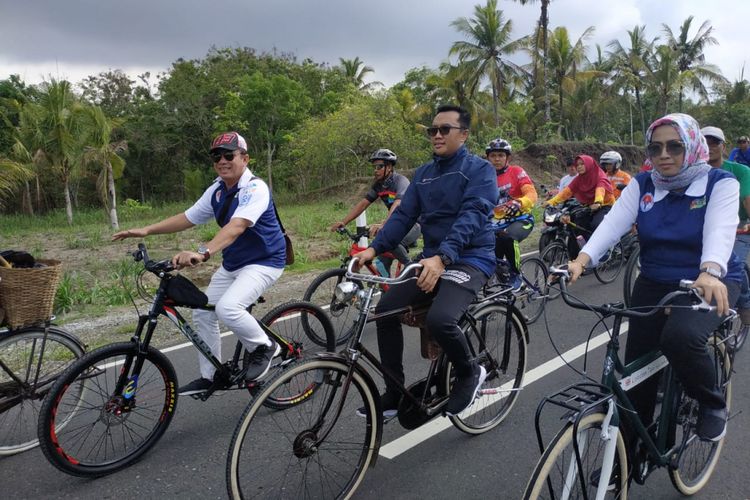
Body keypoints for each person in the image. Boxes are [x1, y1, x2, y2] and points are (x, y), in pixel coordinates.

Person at [568, 113, 742, 444]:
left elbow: (720, 229)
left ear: (691, 147)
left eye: (674, 147)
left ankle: (711, 403)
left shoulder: (721, 183)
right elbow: (612, 224)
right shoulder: (643, 183)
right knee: (635, 372)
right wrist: (581, 260)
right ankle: (631, 455)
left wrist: (710, 270)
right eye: (655, 147)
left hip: (709, 281)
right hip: (654, 279)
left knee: (680, 338)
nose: (663, 154)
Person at [112, 132, 286, 396]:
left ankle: (265, 346)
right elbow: (188, 217)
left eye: (229, 155)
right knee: (203, 311)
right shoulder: (217, 190)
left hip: (264, 262)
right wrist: (147, 230)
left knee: (228, 308)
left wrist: (203, 252)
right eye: (217, 156)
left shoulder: (255, 188)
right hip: (234, 264)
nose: (222, 161)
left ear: (245, 158)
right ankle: (211, 376)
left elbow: (237, 226)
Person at [353, 104, 497, 418]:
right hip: (433, 258)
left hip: (471, 258)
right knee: (384, 311)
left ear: (464, 134)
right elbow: (404, 216)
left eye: (445, 129)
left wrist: (443, 258)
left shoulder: (480, 170)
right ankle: (394, 392)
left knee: (440, 320)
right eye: (433, 130)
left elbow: (472, 215)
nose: (436, 135)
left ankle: (470, 371)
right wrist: (373, 250)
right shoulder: (425, 174)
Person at [330, 148, 420, 271]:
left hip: (413, 223)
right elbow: (363, 204)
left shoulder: (400, 181)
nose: (375, 170)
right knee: (381, 262)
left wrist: (384, 224)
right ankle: (386, 289)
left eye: (379, 167)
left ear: (389, 167)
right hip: (397, 223)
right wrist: (343, 222)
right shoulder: (379, 186)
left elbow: (397, 204)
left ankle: (411, 269)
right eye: (374, 167)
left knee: (390, 239)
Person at [702, 125, 750, 328]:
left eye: (715, 143)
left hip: (736, 226)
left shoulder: (740, 170)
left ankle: (745, 301)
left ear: (723, 146)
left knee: (731, 264)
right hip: (700, 227)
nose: (710, 147)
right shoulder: (689, 172)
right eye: (705, 143)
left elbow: (747, 200)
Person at [486, 138, 538, 289]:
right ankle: (502, 278)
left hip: (522, 219)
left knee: (508, 237)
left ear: (507, 157)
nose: (497, 159)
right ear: (488, 157)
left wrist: (520, 202)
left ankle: (516, 275)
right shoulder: (485, 176)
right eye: (493, 156)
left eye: (501, 155)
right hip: (496, 222)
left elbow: (531, 193)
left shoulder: (516, 171)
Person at [544, 154, 615, 259]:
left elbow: (600, 189)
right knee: (576, 225)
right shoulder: (579, 179)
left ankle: (604, 249)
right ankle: (575, 259)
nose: (579, 167)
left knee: (596, 224)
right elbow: (566, 192)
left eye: (582, 164)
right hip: (589, 205)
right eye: (577, 165)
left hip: (605, 204)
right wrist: (551, 202)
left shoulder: (599, 176)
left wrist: (598, 201)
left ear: (589, 165)